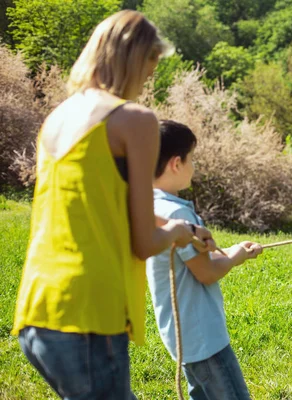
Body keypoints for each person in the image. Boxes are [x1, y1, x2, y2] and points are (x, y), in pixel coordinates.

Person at [11, 11, 215, 399]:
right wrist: (174, 231)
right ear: (135, 60)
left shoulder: (57, 118)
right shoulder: (134, 120)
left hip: (39, 312)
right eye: (149, 70)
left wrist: (187, 230)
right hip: (92, 314)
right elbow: (144, 242)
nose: (146, 83)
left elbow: (105, 204)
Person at [147, 120, 263, 400]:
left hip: (184, 336)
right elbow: (206, 272)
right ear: (176, 163)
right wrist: (237, 256)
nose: (194, 167)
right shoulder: (176, 214)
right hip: (204, 338)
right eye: (192, 159)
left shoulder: (151, 206)